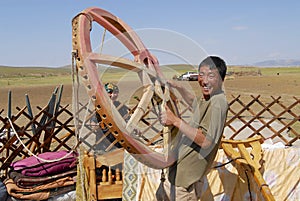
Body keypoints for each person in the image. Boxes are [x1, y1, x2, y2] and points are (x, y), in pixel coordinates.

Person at [155, 56, 229, 200]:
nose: (204, 80)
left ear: (221, 79)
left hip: (185, 183)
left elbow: (206, 141)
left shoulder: (218, 103)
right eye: (201, 75)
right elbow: (194, 104)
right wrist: (179, 87)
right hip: (178, 175)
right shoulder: (209, 98)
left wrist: (175, 120)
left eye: (211, 76)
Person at [90, 82, 130, 152]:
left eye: (115, 93)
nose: (113, 95)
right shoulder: (100, 106)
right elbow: (93, 123)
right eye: (110, 93)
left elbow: (128, 119)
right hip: (103, 143)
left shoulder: (121, 106)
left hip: (121, 142)